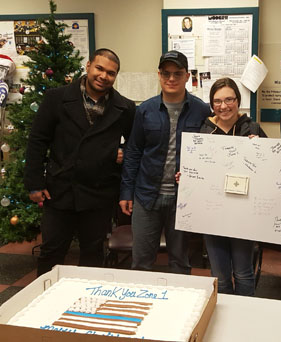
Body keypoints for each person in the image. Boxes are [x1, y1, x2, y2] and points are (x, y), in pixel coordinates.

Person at [24, 48, 136, 276]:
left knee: (93, 253)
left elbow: (135, 145)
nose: (104, 76)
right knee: (52, 251)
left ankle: (89, 302)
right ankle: (45, 300)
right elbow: (38, 141)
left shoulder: (124, 108)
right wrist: (34, 183)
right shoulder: (57, 98)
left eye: (111, 73)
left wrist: (121, 151)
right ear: (88, 66)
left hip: (99, 193)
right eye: (100, 68)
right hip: (60, 189)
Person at [119, 50, 210, 274]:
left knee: (180, 263)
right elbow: (133, 153)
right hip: (146, 196)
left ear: (187, 76)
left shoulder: (202, 111)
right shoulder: (145, 110)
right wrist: (126, 192)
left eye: (177, 74)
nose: (171, 79)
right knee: (141, 262)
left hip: (183, 200)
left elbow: (209, 154)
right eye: (166, 73)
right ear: (158, 75)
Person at [200, 77, 267, 296]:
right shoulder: (204, 132)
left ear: (238, 101)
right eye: (217, 101)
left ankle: (245, 318)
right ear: (211, 104)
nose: (223, 105)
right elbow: (198, 170)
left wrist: (260, 151)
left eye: (229, 99)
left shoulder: (253, 129)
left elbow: (270, 171)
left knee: (243, 273)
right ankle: (222, 315)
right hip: (214, 215)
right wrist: (188, 176)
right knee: (219, 275)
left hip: (243, 215)